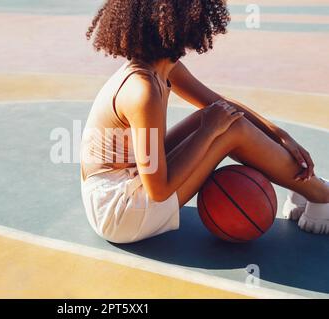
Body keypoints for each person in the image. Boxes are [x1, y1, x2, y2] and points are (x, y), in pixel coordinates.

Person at [80, 0, 329, 244]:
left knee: (220, 116)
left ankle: (301, 183)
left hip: (123, 184)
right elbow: (159, 190)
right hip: (118, 212)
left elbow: (222, 105)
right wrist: (208, 131)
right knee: (229, 129)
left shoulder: (162, 68)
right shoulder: (142, 91)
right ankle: (321, 195)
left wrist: (281, 137)